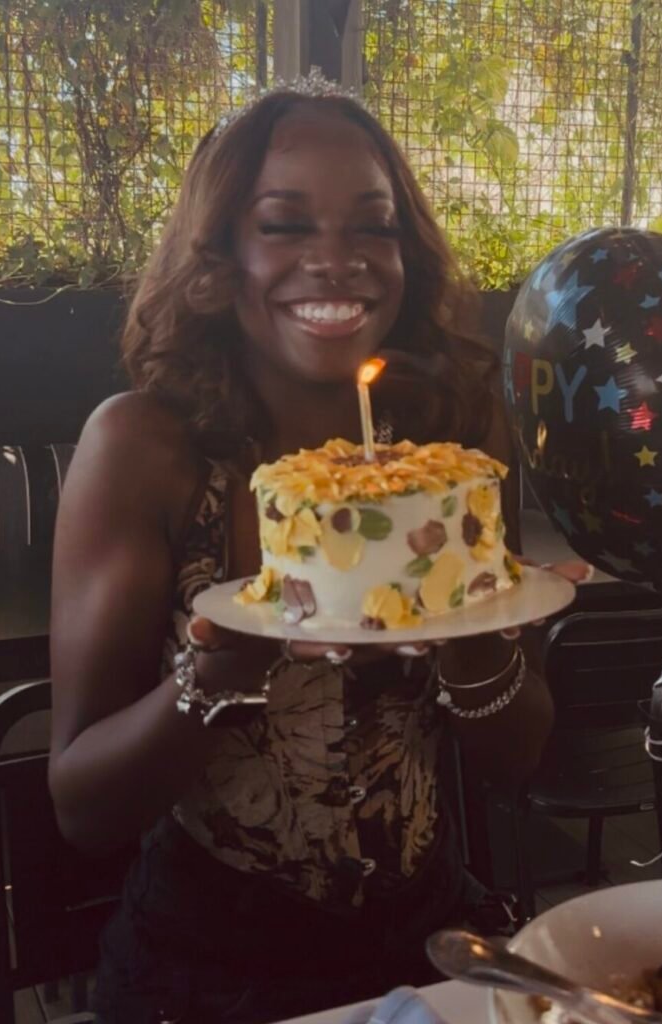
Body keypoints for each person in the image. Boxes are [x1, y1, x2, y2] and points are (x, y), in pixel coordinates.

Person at [49, 77, 585, 1024]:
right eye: (285, 224)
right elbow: (83, 809)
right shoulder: (145, 448)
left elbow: (515, 762)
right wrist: (223, 669)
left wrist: (476, 638)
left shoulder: (451, 446)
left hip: (429, 949)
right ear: (221, 255)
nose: (337, 261)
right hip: (207, 971)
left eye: (373, 226)